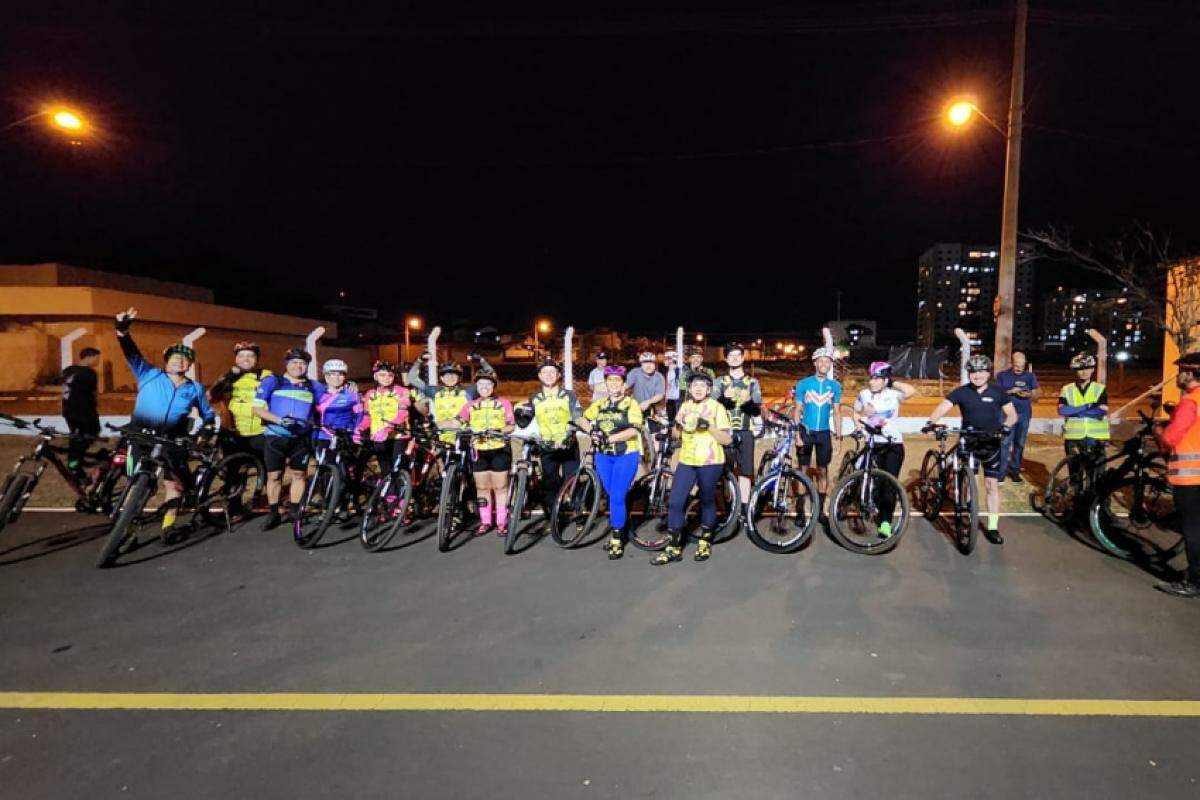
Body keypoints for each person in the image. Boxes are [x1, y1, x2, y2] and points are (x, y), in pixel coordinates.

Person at [113, 308, 215, 541]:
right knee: (138, 484)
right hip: (141, 435)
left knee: (174, 484)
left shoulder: (194, 388)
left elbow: (207, 414)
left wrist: (206, 430)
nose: (179, 361)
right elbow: (131, 352)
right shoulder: (149, 374)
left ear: (189, 365)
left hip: (172, 439)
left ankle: (168, 526)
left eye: (184, 358)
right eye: (174, 357)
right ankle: (126, 529)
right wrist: (122, 330)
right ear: (166, 361)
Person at [925, 353, 1017, 545]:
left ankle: (992, 527)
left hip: (991, 444)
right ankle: (969, 512)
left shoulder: (998, 392)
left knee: (992, 485)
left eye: (981, 371)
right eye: (973, 372)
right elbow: (943, 407)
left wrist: (1007, 426)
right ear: (969, 373)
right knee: (970, 483)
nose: (977, 375)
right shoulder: (961, 392)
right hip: (969, 442)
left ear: (988, 372)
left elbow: (1012, 415)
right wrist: (931, 421)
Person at [654, 372, 733, 565]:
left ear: (708, 389)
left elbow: (727, 438)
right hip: (687, 460)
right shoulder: (685, 406)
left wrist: (707, 426)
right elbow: (676, 435)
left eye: (702, 386)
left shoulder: (717, 407)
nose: (698, 389)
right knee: (675, 502)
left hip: (710, 461)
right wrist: (677, 427)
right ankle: (673, 546)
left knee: (706, 500)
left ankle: (705, 539)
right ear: (689, 389)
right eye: (694, 385)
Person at [576, 365, 644, 559]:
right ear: (605, 384)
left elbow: (633, 430)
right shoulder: (600, 403)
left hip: (625, 455)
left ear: (623, 385)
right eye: (610, 381)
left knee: (616, 495)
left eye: (617, 381)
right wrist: (592, 431)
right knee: (612, 494)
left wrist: (609, 438)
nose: (614, 384)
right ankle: (622, 528)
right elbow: (583, 419)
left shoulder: (631, 404)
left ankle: (616, 538)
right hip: (603, 457)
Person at [253, 348, 321, 530]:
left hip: (300, 438)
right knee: (274, 475)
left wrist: (350, 385)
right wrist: (279, 421)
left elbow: (331, 395)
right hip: (275, 435)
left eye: (302, 363)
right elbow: (257, 409)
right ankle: (273, 513)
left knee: (299, 474)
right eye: (294, 362)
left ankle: (294, 511)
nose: (298, 366)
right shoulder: (273, 381)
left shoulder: (313, 386)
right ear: (286, 364)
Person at [853, 361, 916, 538]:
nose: (872, 381)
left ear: (884, 380)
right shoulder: (863, 394)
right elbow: (856, 412)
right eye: (871, 378)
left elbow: (911, 391)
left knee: (888, 484)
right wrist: (859, 426)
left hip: (893, 445)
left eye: (877, 378)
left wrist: (891, 381)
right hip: (874, 443)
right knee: (867, 476)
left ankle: (886, 522)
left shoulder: (893, 394)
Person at [1156, 352, 1200, 598]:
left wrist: (1160, 430)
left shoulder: (1190, 402)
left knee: (1193, 531)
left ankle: (1194, 582)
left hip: (1190, 479)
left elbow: (1172, 438)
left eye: (1181, 371)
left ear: (1190, 374)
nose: (1177, 376)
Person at [452, 370, 515, 535]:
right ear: (476, 387)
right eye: (480, 384)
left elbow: (511, 425)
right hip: (478, 449)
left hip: (499, 448)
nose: (484, 387)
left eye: (488, 384)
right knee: (482, 487)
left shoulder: (504, 403)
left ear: (494, 386)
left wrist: (499, 430)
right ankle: (485, 522)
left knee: (500, 487)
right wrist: (439, 425)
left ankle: (502, 522)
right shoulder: (470, 405)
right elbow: (458, 421)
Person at [525, 357, 583, 515]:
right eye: (545, 372)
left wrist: (572, 433)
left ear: (558, 375)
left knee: (572, 478)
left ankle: (577, 512)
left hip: (568, 444)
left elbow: (577, 416)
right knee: (550, 481)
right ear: (539, 376)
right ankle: (554, 515)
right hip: (547, 446)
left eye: (552, 372)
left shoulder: (568, 395)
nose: (549, 375)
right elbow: (527, 421)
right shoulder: (534, 397)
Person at [793, 347, 843, 520]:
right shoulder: (804, 384)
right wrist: (797, 434)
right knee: (803, 470)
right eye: (821, 361)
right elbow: (797, 410)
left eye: (827, 361)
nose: (824, 364)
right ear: (815, 363)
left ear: (830, 364)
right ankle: (800, 511)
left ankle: (820, 510)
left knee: (823, 471)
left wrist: (838, 435)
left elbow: (837, 412)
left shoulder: (835, 386)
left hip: (824, 434)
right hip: (806, 432)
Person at [408, 352, 492, 447]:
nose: (451, 377)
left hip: (464, 436)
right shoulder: (434, 391)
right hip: (441, 435)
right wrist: (419, 361)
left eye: (454, 375)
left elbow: (489, 377)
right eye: (447, 375)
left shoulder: (468, 391)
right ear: (441, 378)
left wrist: (482, 361)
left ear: (459, 377)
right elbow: (412, 379)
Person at [713, 342, 762, 503]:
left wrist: (748, 401)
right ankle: (729, 509)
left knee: (745, 472)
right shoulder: (720, 382)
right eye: (730, 356)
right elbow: (711, 408)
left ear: (743, 358)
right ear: (726, 359)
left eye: (737, 356)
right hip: (724, 433)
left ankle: (743, 509)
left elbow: (756, 411)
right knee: (724, 471)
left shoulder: (753, 382)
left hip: (746, 431)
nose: (734, 359)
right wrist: (723, 398)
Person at [208, 341, 271, 461]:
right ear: (236, 359)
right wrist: (228, 376)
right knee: (234, 473)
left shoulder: (267, 376)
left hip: (261, 433)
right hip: (235, 433)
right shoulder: (229, 377)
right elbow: (212, 395)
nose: (245, 359)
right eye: (241, 356)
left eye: (250, 356)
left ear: (257, 359)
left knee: (265, 470)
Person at [358, 360, 425, 469]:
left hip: (398, 436)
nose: (386, 378)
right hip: (378, 438)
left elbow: (402, 413)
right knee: (385, 471)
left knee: (397, 469)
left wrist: (388, 427)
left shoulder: (401, 391)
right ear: (375, 376)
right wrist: (360, 428)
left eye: (390, 375)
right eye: (382, 375)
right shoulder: (370, 394)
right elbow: (367, 417)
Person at [995, 351, 1040, 482]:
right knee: (1004, 443)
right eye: (1016, 365)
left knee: (1019, 443)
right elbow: (996, 393)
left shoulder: (1030, 376)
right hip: (1007, 414)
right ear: (1011, 363)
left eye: (1022, 365)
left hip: (1024, 414)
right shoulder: (1002, 376)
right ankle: (1001, 473)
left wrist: (1029, 394)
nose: (1019, 368)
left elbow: (1038, 393)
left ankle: (1015, 471)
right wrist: (1010, 391)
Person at [1058, 352, 1110, 463]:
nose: (1084, 371)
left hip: (1096, 437)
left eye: (1087, 368)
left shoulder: (1100, 389)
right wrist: (1087, 406)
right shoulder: (1066, 389)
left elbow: (1101, 411)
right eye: (1080, 368)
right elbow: (1062, 410)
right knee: (1075, 474)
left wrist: (1076, 412)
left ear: (1092, 369)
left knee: (1097, 475)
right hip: (1073, 437)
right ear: (1075, 370)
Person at [61, 346, 100, 472]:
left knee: (76, 436)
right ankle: (74, 462)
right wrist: (95, 405)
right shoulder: (89, 373)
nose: (97, 362)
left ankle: (77, 459)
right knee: (91, 433)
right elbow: (93, 393)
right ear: (89, 357)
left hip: (68, 410)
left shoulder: (68, 370)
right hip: (84, 410)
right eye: (96, 358)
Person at [313, 359, 363, 452]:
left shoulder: (352, 394)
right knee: (327, 465)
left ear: (344, 377)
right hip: (323, 436)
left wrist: (356, 435)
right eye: (332, 374)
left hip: (346, 436)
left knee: (345, 466)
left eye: (340, 374)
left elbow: (359, 415)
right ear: (326, 376)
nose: (336, 377)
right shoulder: (318, 393)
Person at [627, 351, 666, 420]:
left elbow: (660, 394)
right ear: (641, 364)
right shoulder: (635, 373)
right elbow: (626, 386)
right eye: (645, 363)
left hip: (651, 408)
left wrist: (648, 402)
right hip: (634, 408)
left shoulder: (659, 377)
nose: (648, 365)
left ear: (655, 364)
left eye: (651, 362)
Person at [664, 350, 682, 422]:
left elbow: (669, 386)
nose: (664, 361)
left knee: (672, 420)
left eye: (666, 359)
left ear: (671, 360)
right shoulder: (678, 369)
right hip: (677, 398)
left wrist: (666, 398)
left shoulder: (672, 371)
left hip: (673, 399)